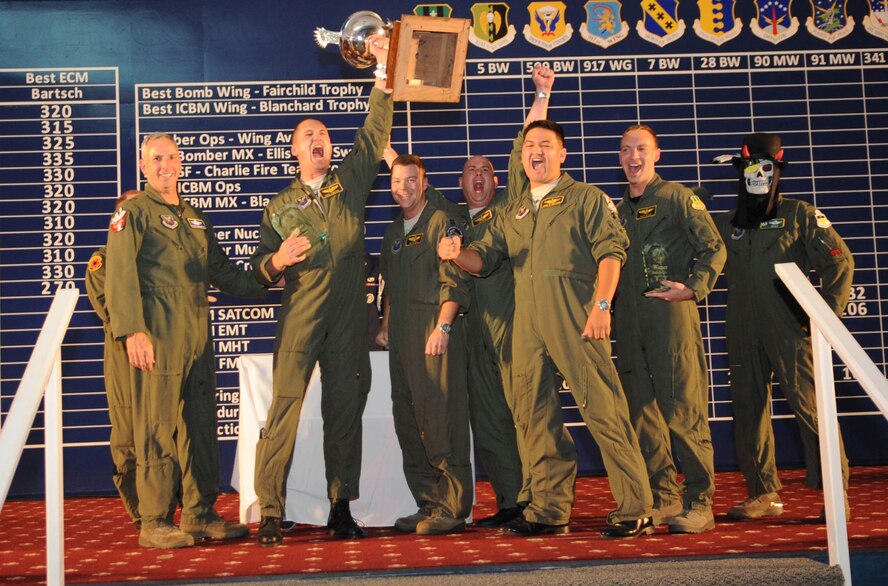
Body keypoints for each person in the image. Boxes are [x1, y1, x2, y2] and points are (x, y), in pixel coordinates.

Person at [438, 113, 654, 538]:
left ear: (562, 154)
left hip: (576, 316)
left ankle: (636, 507)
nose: (536, 152)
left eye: (545, 145)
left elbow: (612, 253)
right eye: (530, 146)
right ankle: (549, 509)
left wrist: (603, 305)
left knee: (603, 410)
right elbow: (484, 260)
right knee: (533, 417)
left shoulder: (586, 198)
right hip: (527, 323)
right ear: (522, 158)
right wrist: (456, 254)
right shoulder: (513, 210)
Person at [249, 35, 392, 546]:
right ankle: (270, 508)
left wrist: (381, 74)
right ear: (293, 149)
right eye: (308, 134)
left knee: (344, 410)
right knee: (284, 407)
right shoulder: (278, 207)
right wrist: (276, 260)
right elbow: (258, 268)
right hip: (301, 316)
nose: (319, 140)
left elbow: (375, 133)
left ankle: (340, 506)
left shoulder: (349, 184)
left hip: (349, 318)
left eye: (325, 134)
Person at [105, 133, 267, 549]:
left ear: (181, 163)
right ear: (143, 166)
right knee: (156, 426)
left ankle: (199, 512)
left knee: (200, 424)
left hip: (196, 334)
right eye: (156, 158)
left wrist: (270, 272)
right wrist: (132, 331)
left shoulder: (196, 219)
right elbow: (119, 273)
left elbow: (226, 274)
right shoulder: (133, 212)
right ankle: (155, 519)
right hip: (156, 333)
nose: (165, 165)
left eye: (172, 157)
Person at [713, 132, 854, 520]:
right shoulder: (728, 223)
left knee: (810, 408)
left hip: (791, 329)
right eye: (749, 168)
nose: (757, 174)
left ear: (776, 169)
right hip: (741, 328)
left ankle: (835, 494)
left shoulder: (800, 214)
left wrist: (823, 316)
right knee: (748, 410)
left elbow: (840, 263)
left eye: (764, 167)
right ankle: (763, 493)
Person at [613, 125, 725, 534]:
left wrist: (693, 288)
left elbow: (714, 247)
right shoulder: (618, 211)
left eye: (640, 149)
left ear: (656, 154)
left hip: (670, 322)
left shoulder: (678, 197)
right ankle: (665, 497)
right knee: (641, 414)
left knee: (683, 413)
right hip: (629, 325)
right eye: (625, 150)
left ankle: (700, 501)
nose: (632, 157)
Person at [375, 154, 473, 535]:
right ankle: (428, 502)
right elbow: (388, 288)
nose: (404, 187)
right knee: (408, 419)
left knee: (440, 419)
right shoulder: (393, 232)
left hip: (434, 332)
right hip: (400, 336)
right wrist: (385, 327)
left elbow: (455, 278)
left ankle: (453, 506)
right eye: (398, 181)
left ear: (425, 182)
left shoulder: (440, 222)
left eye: (412, 180)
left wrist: (444, 327)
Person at [85, 189, 142, 532]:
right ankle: (139, 511)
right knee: (127, 434)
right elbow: (113, 309)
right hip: (124, 360)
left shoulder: (160, 260)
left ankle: (172, 503)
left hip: (163, 355)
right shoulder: (102, 261)